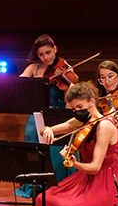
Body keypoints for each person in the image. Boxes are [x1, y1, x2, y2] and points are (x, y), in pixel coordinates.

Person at [18, 34, 76, 195]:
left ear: (55, 49)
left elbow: (74, 93)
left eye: (48, 53)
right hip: (39, 113)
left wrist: (66, 81)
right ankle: (34, 184)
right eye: (41, 55)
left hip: (58, 113)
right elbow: (18, 87)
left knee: (56, 143)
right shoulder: (33, 68)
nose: (45, 58)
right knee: (31, 133)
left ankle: (57, 184)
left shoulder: (64, 68)